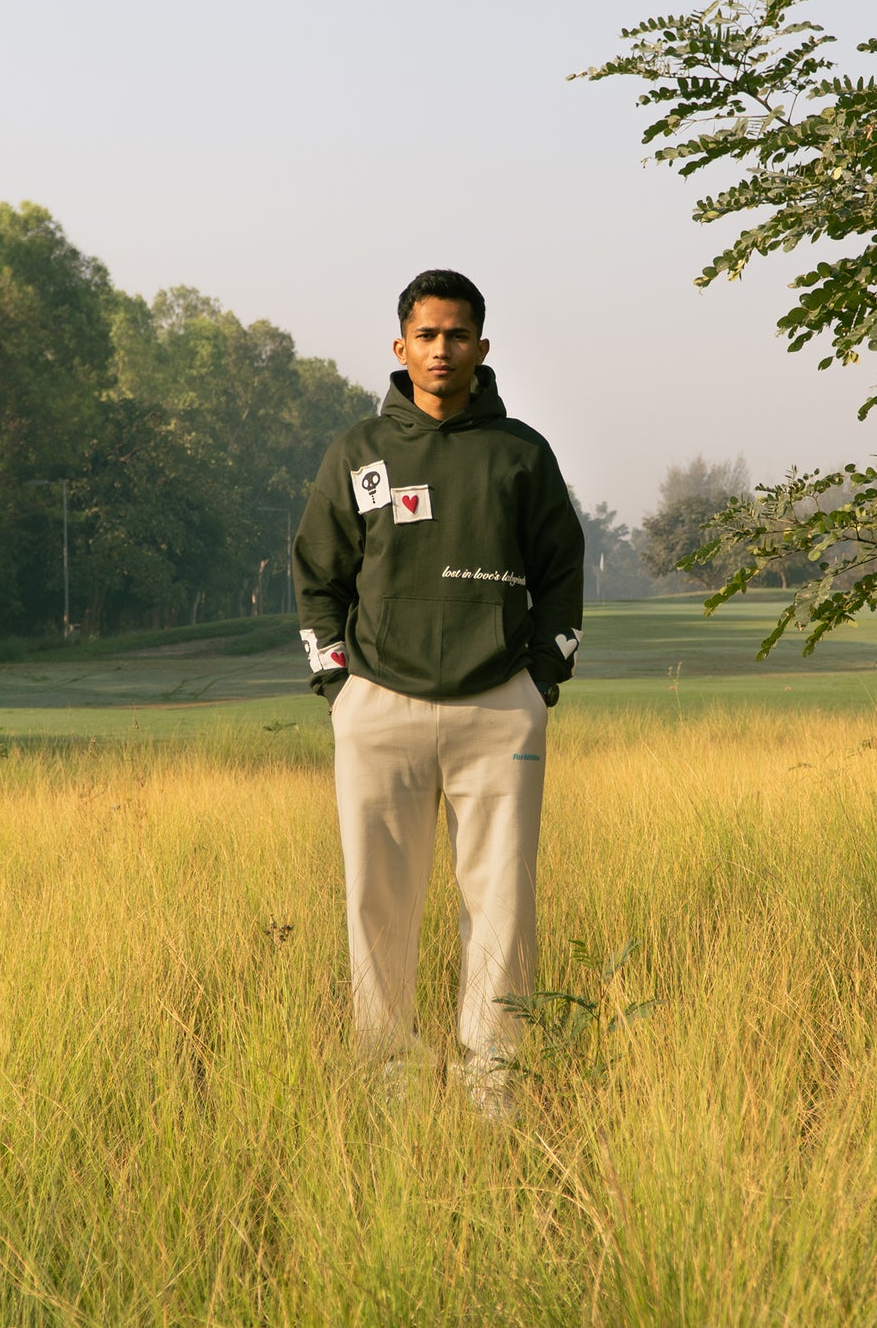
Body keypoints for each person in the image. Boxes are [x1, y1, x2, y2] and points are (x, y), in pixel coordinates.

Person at [292, 268, 585, 1117]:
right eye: (426, 335)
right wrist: (337, 683)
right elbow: (317, 574)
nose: (441, 349)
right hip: (377, 705)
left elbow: (562, 572)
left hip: (498, 708)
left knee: (501, 903)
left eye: (457, 335)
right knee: (376, 902)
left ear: (482, 347)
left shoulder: (521, 452)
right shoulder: (357, 452)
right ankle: (390, 1081)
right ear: (399, 347)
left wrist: (539, 679)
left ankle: (494, 1081)